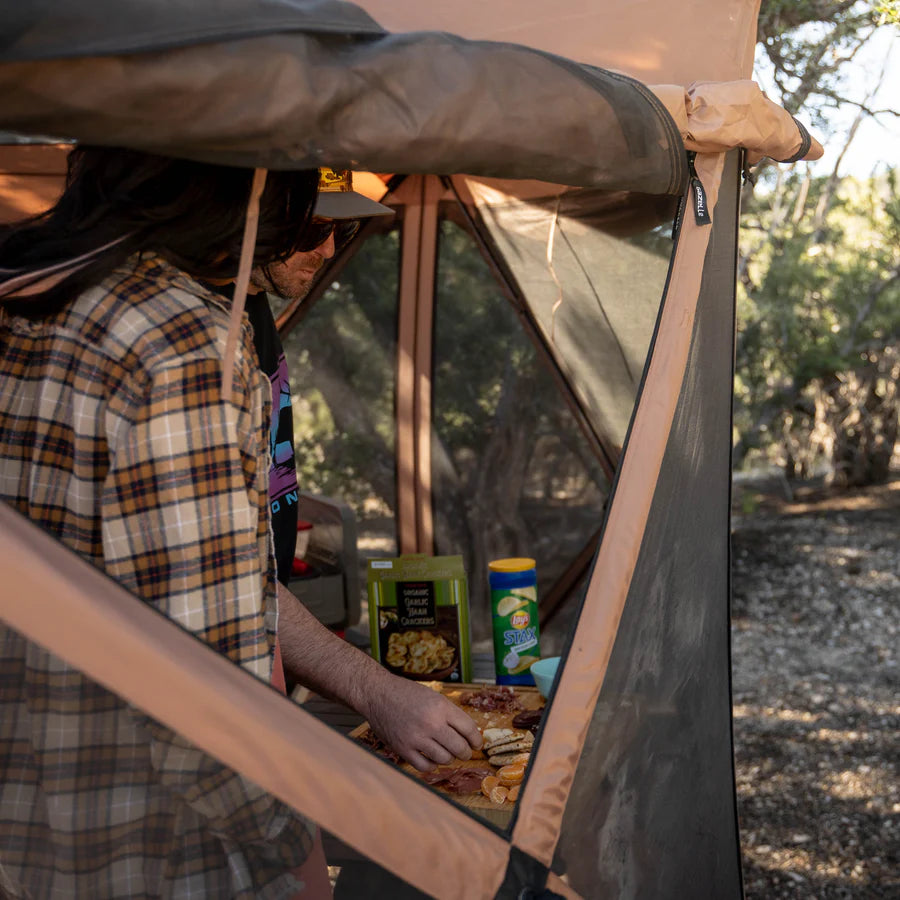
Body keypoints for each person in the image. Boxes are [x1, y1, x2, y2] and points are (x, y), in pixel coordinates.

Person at [0, 148, 480, 899]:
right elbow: (202, 685)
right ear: (254, 195)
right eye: (305, 212)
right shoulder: (183, 346)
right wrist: (293, 833)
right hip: (155, 846)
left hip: (38, 815)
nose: (326, 243)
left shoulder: (35, 296)